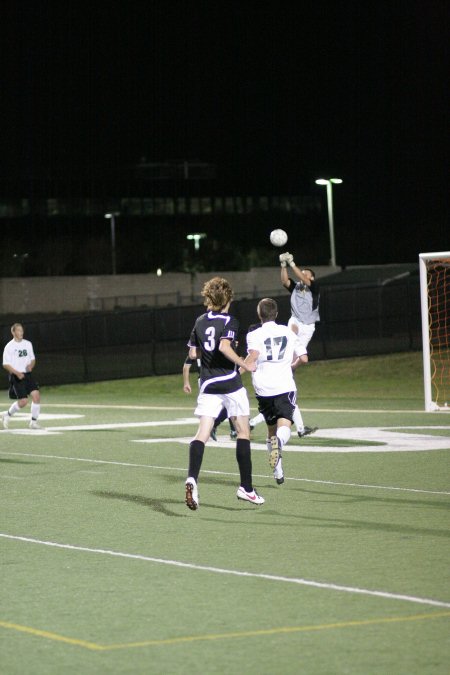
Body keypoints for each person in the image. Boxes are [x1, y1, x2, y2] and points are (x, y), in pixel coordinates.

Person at [185, 276, 264, 510]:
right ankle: (246, 488)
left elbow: (192, 354)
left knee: (202, 434)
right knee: (243, 433)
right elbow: (223, 346)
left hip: (208, 384)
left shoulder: (199, 320)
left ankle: (192, 479)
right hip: (230, 382)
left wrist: (208, 355)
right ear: (228, 298)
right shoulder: (230, 321)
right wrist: (245, 363)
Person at [243, 298, 303, 485]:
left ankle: (278, 472)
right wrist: (292, 365)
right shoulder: (288, 332)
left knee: (271, 432)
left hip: (263, 389)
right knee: (284, 427)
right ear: (276, 314)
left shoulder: (253, 334)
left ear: (259, 314)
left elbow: (252, 359)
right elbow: (305, 357)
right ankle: (280, 444)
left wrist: (240, 369)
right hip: (284, 386)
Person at [247, 319, 317, 439]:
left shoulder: (255, 338)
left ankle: (298, 430)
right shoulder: (284, 332)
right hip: (281, 382)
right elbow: (304, 358)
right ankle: (288, 435)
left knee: (272, 424)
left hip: (263, 386)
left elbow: (249, 363)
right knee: (285, 417)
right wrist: (293, 365)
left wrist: (237, 372)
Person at [279, 251, 320, 365]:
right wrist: (283, 264)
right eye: (302, 274)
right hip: (296, 320)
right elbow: (284, 281)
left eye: (306, 274)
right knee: (291, 335)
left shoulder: (314, 287)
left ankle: (291, 371)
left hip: (308, 326)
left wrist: (292, 263)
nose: (303, 276)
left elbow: (304, 279)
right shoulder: (297, 287)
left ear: (312, 278)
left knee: (295, 359)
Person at [182, 355, 237, 440]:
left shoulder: (199, 349)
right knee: (228, 403)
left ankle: (230, 429)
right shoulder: (210, 349)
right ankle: (216, 426)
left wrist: (186, 382)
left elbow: (186, 365)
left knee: (226, 404)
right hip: (215, 378)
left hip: (204, 380)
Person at [2, 323, 43, 430]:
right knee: (23, 401)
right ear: (13, 332)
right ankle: (7, 415)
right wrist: (17, 373)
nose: (21, 332)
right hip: (16, 376)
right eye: (19, 330)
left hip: (27, 375)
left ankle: (33, 423)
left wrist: (31, 366)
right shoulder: (9, 346)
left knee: (36, 396)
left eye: (22, 330)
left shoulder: (28, 344)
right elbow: (5, 364)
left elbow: (32, 359)